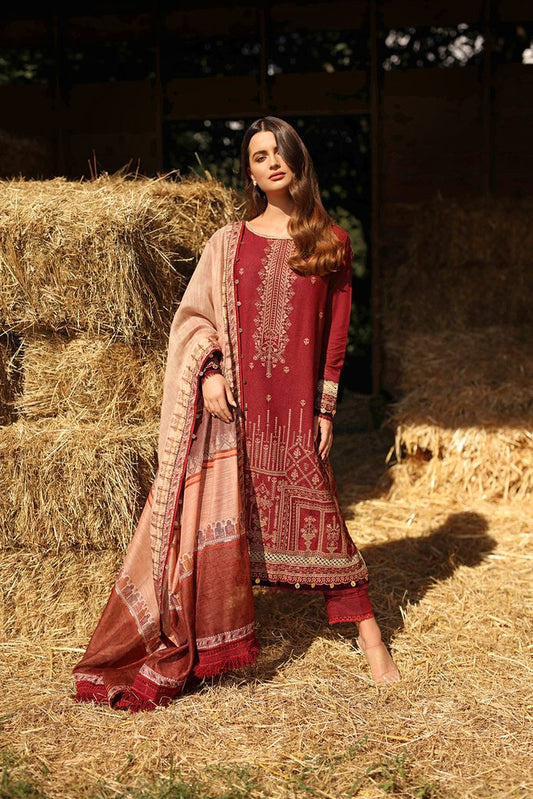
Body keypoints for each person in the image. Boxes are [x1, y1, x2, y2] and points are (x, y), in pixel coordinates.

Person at [72, 117, 400, 712]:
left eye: (279, 152)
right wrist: (210, 375)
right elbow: (195, 320)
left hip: (293, 414)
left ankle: (371, 638)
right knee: (218, 522)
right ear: (248, 172)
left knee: (323, 519)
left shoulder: (329, 240)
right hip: (234, 413)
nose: (271, 163)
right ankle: (212, 641)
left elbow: (336, 333)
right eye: (258, 156)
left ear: (297, 160)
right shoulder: (229, 242)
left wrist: (326, 408)